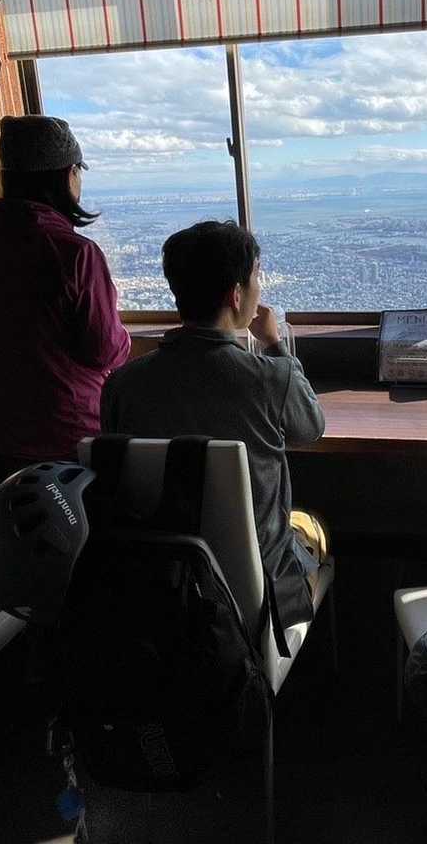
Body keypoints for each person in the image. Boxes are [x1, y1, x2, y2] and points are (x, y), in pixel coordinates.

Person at [101, 220, 328, 629]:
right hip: (256, 590)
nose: (260, 286)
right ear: (235, 295)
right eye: (256, 276)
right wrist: (275, 344)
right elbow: (311, 428)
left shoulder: (121, 386)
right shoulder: (271, 379)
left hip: (158, 587)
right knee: (313, 529)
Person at [0, 115, 130, 490]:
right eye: (78, 171)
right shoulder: (75, 253)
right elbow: (105, 350)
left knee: (29, 522)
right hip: (73, 435)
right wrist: (123, 335)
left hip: (7, 434)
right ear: (65, 175)